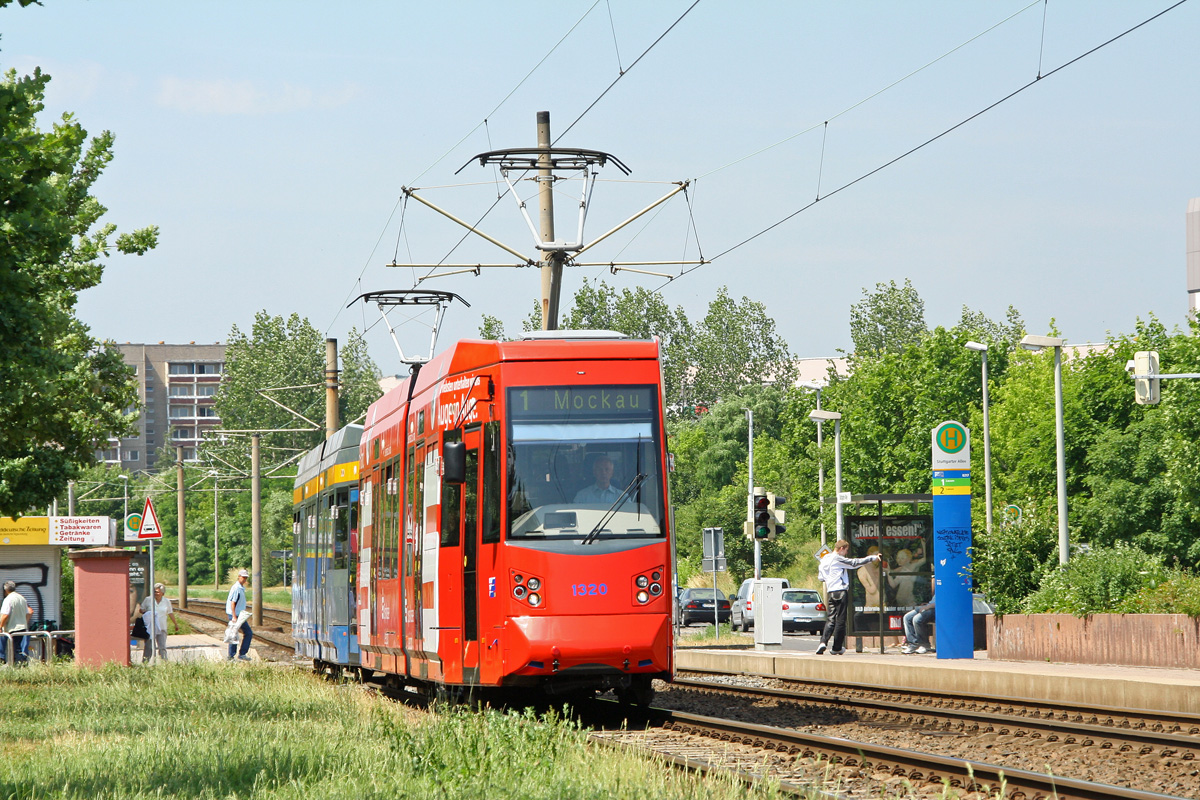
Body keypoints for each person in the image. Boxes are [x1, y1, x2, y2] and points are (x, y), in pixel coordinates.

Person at [815, 540, 882, 655]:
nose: (846, 553)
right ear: (841, 549)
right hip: (840, 590)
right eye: (846, 550)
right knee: (841, 620)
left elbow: (821, 577)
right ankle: (836, 647)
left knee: (831, 618)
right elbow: (854, 563)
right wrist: (872, 558)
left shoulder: (825, 558)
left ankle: (823, 642)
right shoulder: (837, 558)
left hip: (830, 592)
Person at [138, 583, 178, 663]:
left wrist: (175, 624)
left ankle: (164, 663)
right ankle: (145, 663)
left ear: (162, 593)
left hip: (162, 627)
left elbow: (170, 613)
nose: (156, 593)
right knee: (149, 647)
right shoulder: (148, 600)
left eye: (158, 592)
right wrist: (144, 611)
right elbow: (141, 609)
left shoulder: (166, 601)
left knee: (162, 647)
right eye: (155, 592)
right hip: (150, 627)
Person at [1, 580, 32, 665]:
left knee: (13, 649)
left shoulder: (8, 599)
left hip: (12, 628)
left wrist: (0, 627)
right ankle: (20, 665)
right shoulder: (22, 598)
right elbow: (28, 612)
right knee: (18, 650)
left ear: (6, 590)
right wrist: (24, 622)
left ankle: (2, 660)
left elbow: (5, 615)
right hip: (23, 628)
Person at [226, 569, 253, 661]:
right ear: (239, 577)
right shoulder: (237, 588)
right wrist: (234, 616)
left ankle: (236, 655)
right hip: (235, 615)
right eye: (243, 577)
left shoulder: (239, 588)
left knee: (237, 633)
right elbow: (232, 603)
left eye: (246, 578)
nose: (244, 579)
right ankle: (234, 655)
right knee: (241, 633)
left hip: (238, 614)